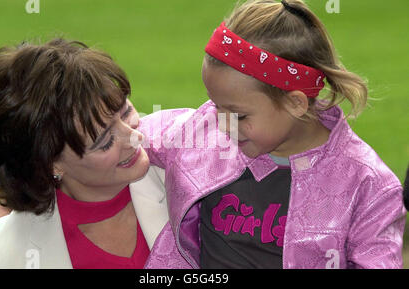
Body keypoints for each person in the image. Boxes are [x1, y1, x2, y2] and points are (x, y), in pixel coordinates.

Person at [139, 0, 406, 269]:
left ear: (296, 103)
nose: (221, 123)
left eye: (238, 115)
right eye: (215, 104)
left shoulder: (367, 183)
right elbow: (120, 133)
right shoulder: (201, 129)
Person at [0, 39, 169, 268]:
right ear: (50, 164)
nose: (134, 137)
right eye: (105, 141)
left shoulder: (189, 175)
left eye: (126, 111)